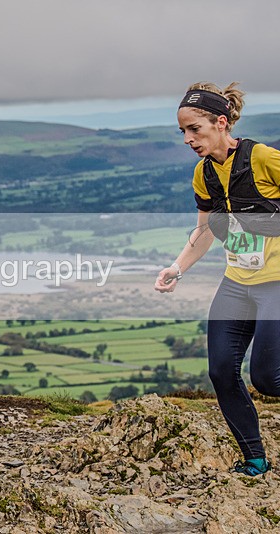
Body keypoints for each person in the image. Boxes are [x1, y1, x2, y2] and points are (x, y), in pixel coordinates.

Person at [155, 82, 280, 476]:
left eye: (195, 129)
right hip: (237, 282)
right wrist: (177, 267)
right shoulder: (204, 174)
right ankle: (254, 459)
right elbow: (205, 231)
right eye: (183, 132)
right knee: (221, 370)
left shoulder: (261, 158)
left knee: (268, 378)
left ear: (221, 122)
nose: (189, 139)